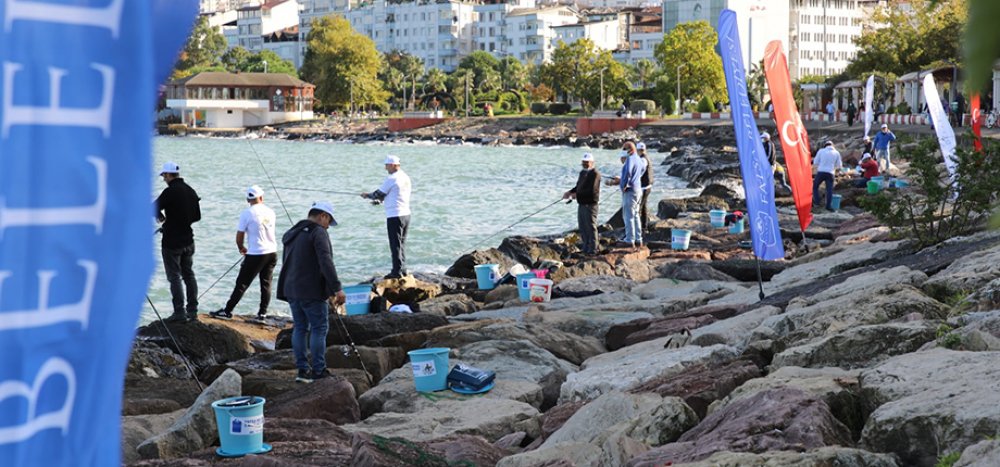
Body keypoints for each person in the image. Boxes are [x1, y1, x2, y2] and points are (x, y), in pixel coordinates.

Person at [277, 201, 345, 383]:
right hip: (311, 290)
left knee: (300, 328)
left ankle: (302, 370)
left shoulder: (292, 232)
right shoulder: (318, 232)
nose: (328, 227)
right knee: (319, 328)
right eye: (328, 222)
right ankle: (318, 370)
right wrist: (337, 288)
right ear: (322, 216)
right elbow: (326, 261)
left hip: (291, 288)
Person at [210, 185, 278, 320]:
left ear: (248, 199)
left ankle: (228, 311)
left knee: (242, 283)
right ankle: (262, 313)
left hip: (256, 253)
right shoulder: (271, 212)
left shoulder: (247, 213)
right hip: (272, 252)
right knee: (266, 283)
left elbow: (240, 235)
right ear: (261, 197)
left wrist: (241, 247)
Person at [154, 162, 202, 323]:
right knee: (189, 275)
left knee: (174, 277)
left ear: (168, 175)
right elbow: (197, 217)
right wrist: (180, 220)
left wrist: (162, 217)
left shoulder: (170, 191)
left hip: (171, 242)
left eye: (164, 176)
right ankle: (193, 311)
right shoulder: (190, 191)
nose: (163, 179)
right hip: (189, 240)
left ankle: (179, 312)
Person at [361, 155, 412, 279]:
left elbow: (378, 194)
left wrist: (367, 195)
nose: (385, 168)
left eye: (387, 165)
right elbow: (394, 194)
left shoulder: (392, 178)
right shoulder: (405, 177)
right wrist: (380, 200)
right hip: (406, 214)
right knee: (401, 243)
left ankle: (396, 272)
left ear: (394, 165)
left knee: (395, 244)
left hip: (395, 215)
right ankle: (403, 269)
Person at [563, 153, 602, 255]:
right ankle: (586, 247)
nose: (585, 164)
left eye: (587, 162)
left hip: (590, 204)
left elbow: (592, 191)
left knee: (591, 226)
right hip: (581, 203)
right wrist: (569, 192)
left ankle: (593, 249)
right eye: (583, 162)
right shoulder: (582, 173)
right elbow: (578, 187)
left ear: (592, 163)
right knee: (583, 226)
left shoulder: (595, 174)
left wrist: (576, 195)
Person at [619, 142, 644, 247]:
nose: (623, 151)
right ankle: (639, 238)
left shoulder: (630, 159)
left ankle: (629, 240)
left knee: (628, 216)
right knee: (636, 215)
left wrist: (623, 185)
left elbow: (628, 172)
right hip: (638, 189)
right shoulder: (639, 159)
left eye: (625, 149)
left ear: (630, 149)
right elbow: (642, 170)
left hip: (630, 190)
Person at [812, 141, 842, 211]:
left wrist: (822, 163)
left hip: (821, 172)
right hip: (830, 173)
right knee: (829, 190)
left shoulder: (821, 151)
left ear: (825, 145)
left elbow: (815, 162)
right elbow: (839, 165)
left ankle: (817, 202)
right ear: (832, 145)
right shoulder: (836, 152)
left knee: (815, 187)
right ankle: (828, 206)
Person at [637, 142, 654, 233]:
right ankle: (644, 227)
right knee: (644, 207)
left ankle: (640, 229)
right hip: (648, 186)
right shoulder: (646, 158)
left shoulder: (642, 160)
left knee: (638, 209)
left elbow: (640, 173)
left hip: (644, 187)